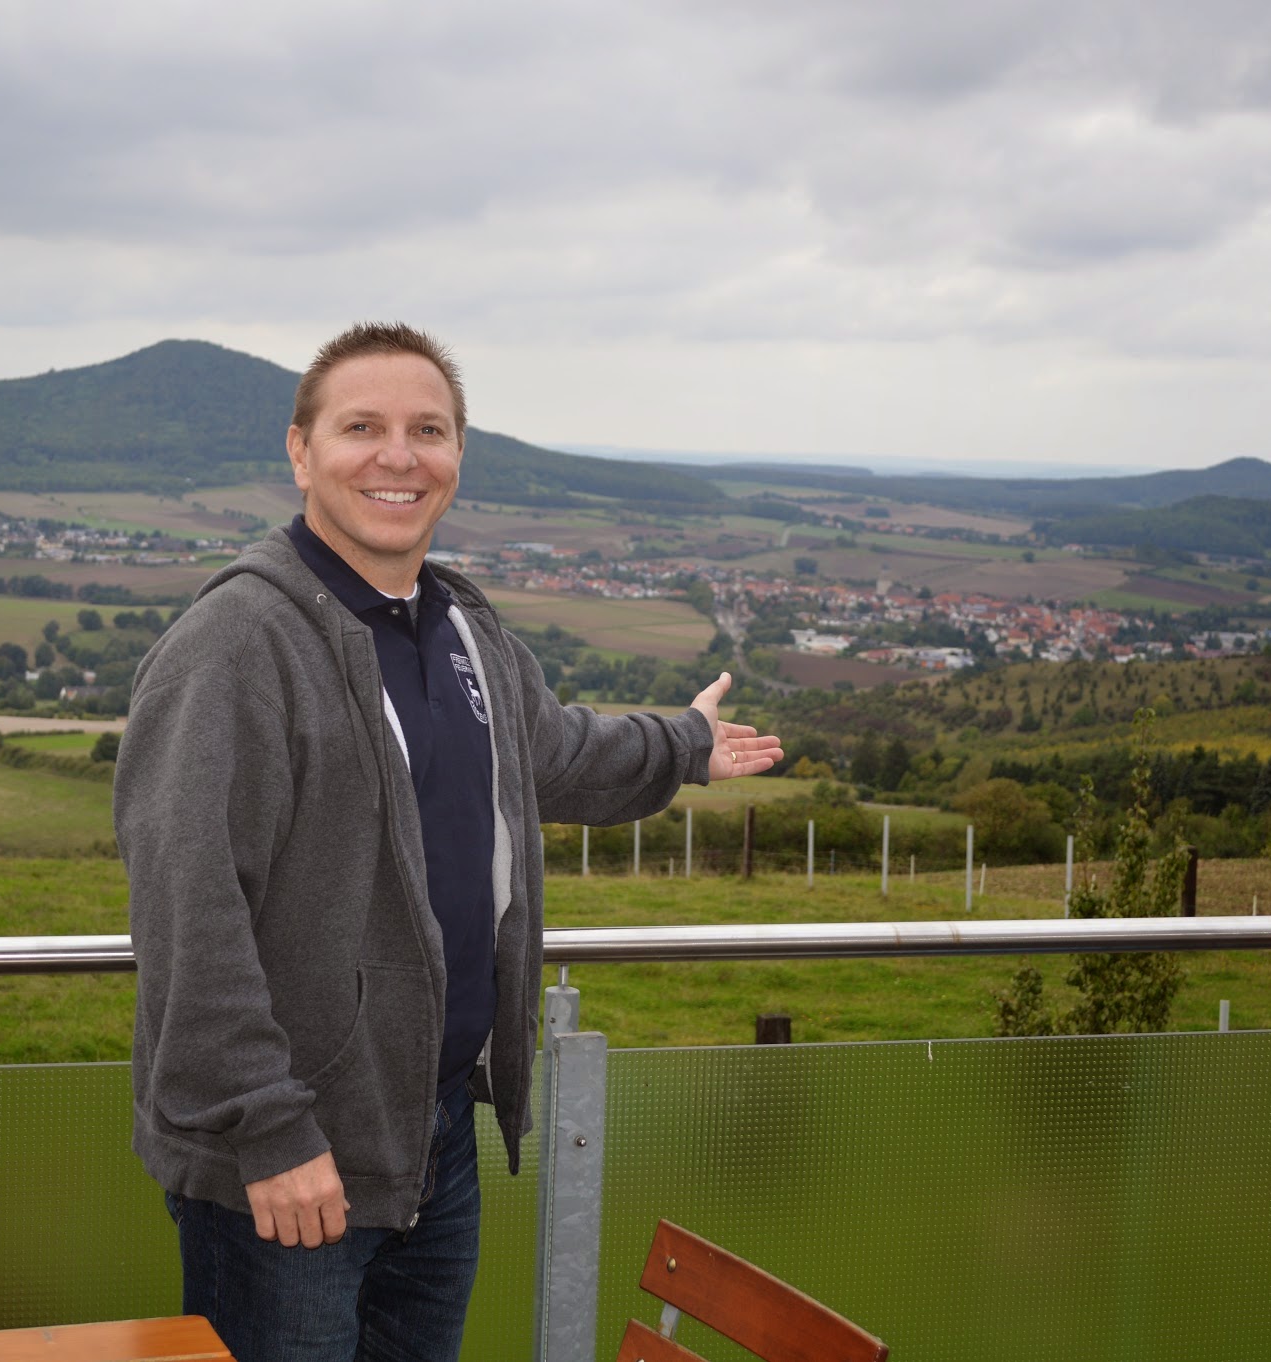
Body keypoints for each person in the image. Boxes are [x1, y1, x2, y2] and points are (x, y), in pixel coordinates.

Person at [113, 322, 780, 1362]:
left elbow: (552, 754)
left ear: (457, 456)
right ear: (299, 451)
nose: (397, 455)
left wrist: (683, 744)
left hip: (432, 1140)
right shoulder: (236, 647)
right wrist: (269, 1134)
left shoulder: (461, 628)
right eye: (361, 427)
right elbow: (187, 911)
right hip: (290, 1162)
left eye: (427, 429)